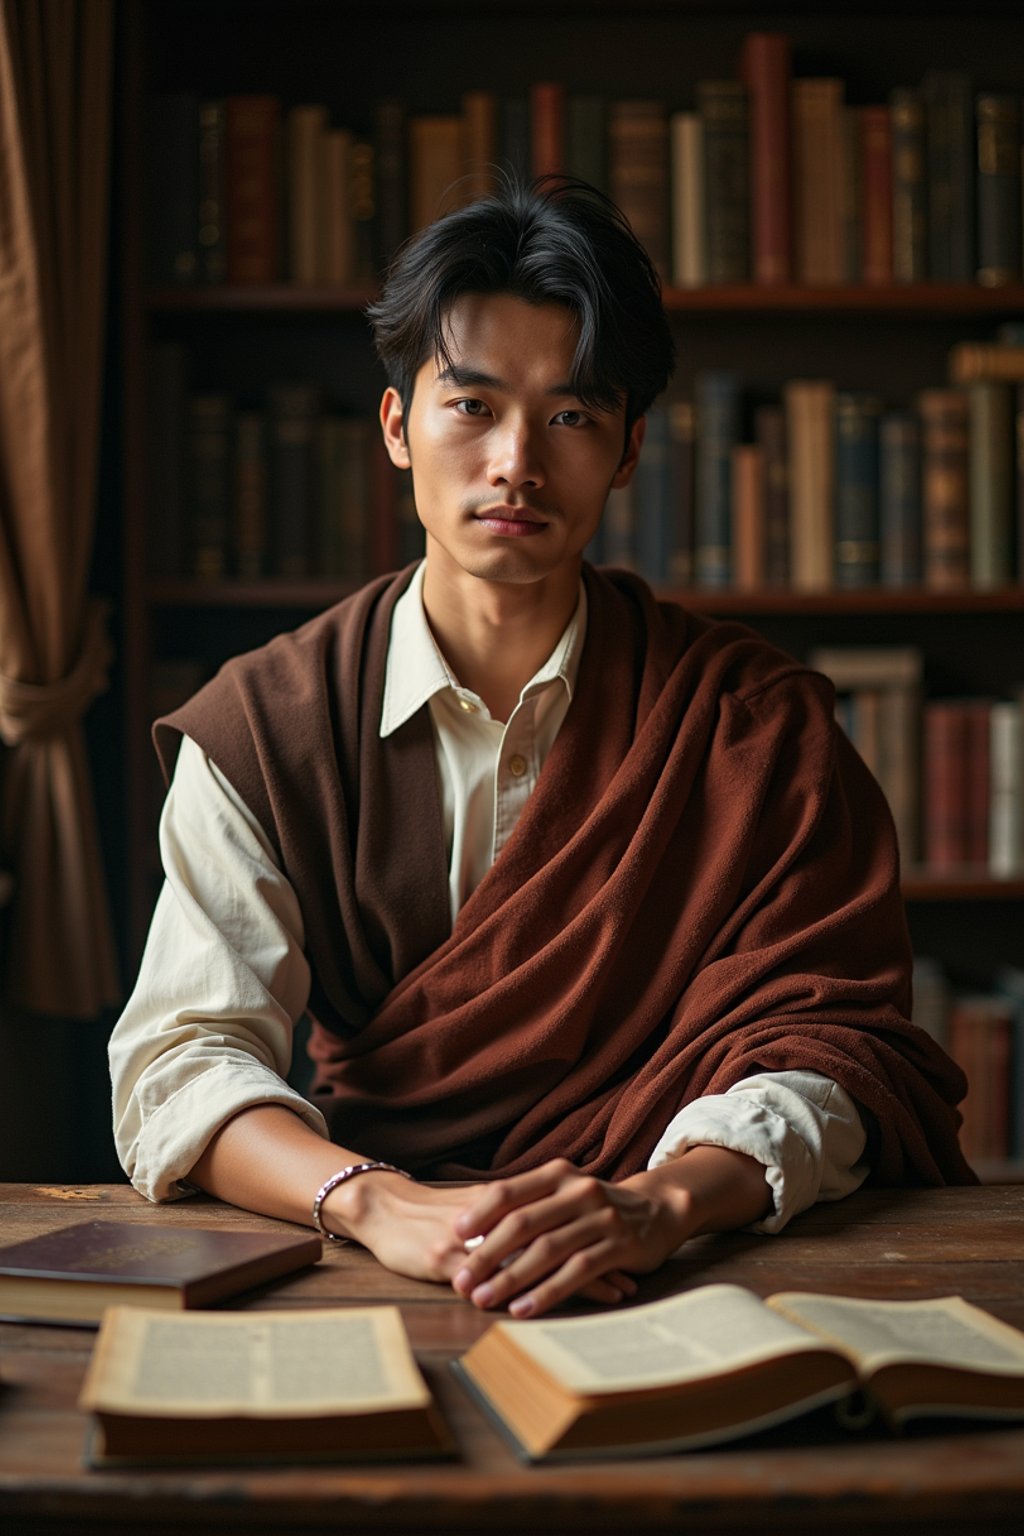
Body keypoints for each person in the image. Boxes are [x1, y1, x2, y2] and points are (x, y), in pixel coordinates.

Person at [110, 176, 972, 1322]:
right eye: (471, 406)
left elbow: (839, 1047)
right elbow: (181, 1059)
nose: (516, 461)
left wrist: (658, 1206)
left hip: (691, 1267)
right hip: (374, 1264)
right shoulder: (266, 727)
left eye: (569, 417)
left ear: (623, 452)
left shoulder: (752, 723)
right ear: (396, 427)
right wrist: (373, 1202)